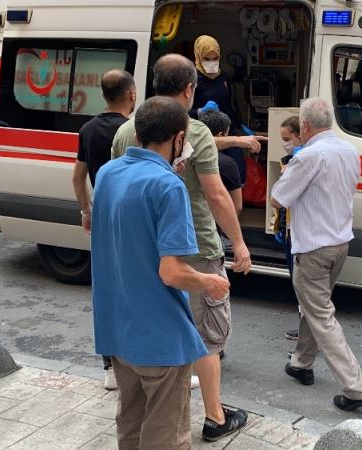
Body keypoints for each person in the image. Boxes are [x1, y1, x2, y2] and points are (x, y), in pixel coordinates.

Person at [112, 54, 250, 442]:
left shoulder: (126, 131)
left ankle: (154, 407)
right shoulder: (194, 131)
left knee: (158, 324)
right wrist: (239, 242)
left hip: (144, 249)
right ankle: (215, 416)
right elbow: (216, 194)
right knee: (205, 335)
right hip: (195, 248)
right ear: (190, 89)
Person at [92, 96, 228, 449]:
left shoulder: (108, 173)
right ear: (179, 139)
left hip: (118, 330)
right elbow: (171, 272)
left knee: (131, 424)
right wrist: (208, 281)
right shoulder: (169, 186)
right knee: (166, 436)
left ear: (139, 133)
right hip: (160, 336)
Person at [271, 98, 362, 412]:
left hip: (313, 246)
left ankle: (356, 388)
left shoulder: (308, 156)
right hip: (340, 242)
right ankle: (301, 362)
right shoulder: (349, 150)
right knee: (315, 307)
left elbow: (278, 199)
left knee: (320, 314)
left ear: (304, 125)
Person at [71, 69, 135, 391]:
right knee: (135, 288)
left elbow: (77, 177)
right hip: (131, 220)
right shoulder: (132, 131)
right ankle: (137, 360)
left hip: (103, 217)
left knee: (106, 290)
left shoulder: (88, 129)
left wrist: (86, 211)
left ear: (103, 95)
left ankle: (109, 367)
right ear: (132, 95)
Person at [190, 35, 266, 185]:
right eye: (207, 59)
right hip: (203, 134)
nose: (211, 63)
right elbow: (183, 112)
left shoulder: (224, 77)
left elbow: (228, 107)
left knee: (238, 169)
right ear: (198, 57)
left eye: (215, 58)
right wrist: (199, 111)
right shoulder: (192, 79)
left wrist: (240, 125)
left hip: (226, 131)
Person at [276, 116, 303, 342]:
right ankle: (306, 327)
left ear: (300, 136)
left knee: (304, 286)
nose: (285, 143)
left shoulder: (302, 163)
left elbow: (278, 198)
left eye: (287, 138)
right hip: (290, 231)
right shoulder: (289, 161)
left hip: (300, 233)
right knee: (298, 283)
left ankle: (309, 333)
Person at [198, 109, 242, 215]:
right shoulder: (227, 163)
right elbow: (237, 207)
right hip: (214, 220)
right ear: (221, 135)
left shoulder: (185, 155)